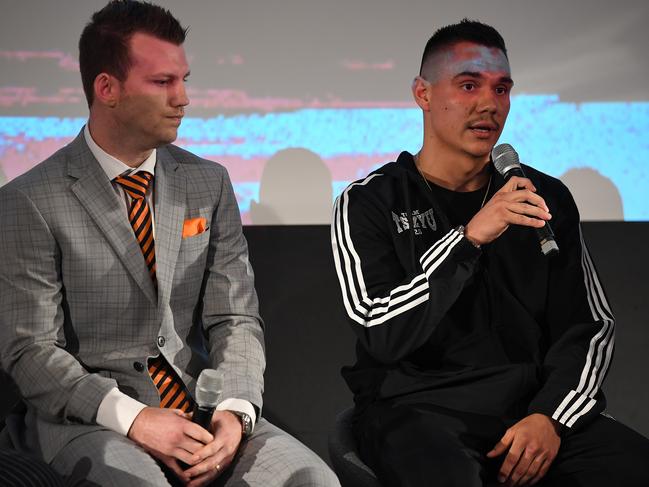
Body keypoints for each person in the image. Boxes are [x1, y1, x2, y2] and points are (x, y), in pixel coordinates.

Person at [0, 2, 339, 486]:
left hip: (198, 405)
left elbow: (235, 317)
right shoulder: (29, 200)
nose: (182, 98)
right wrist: (134, 418)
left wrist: (237, 410)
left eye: (183, 80)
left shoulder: (208, 182)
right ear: (107, 89)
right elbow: (29, 350)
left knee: (312, 480)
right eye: (163, 82)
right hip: (91, 418)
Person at [331, 19, 649, 487]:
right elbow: (381, 329)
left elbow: (589, 325)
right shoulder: (370, 201)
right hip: (417, 412)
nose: (488, 104)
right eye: (468, 85)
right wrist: (467, 240)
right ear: (422, 94)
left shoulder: (544, 197)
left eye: (502, 89)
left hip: (528, 415)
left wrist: (551, 419)